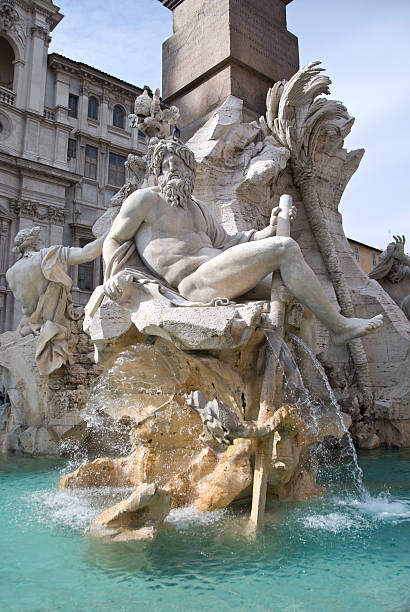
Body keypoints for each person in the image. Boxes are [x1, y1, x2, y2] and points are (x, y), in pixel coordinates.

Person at [103, 139, 383, 346]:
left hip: (220, 272)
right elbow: (114, 238)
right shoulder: (146, 200)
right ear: (157, 172)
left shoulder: (198, 209)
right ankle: (340, 326)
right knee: (284, 249)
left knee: (302, 305)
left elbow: (230, 243)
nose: (172, 170)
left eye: (178, 164)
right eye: (165, 166)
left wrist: (269, 230)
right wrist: (114, 275)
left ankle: (307, 384)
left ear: (190, 171)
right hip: (193, 283)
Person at [6, 226, 106, 374]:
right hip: (56, 329)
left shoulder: (11, 273)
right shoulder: (49, 256)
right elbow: (88, 252)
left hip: (28, 330)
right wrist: (115, 227)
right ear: (35, 242)